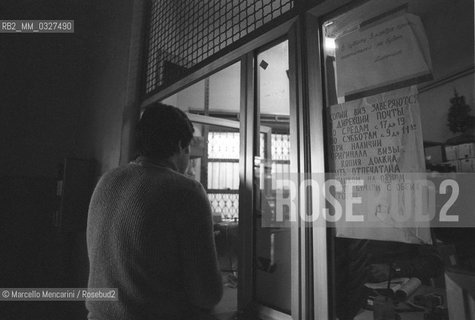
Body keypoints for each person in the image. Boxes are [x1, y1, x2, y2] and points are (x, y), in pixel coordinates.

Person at [86, 103, 223, 320]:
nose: (188, 163)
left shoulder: (107, 181)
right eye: (188, 151)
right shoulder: (186, 190)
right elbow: (207, 295)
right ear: (180, 145)